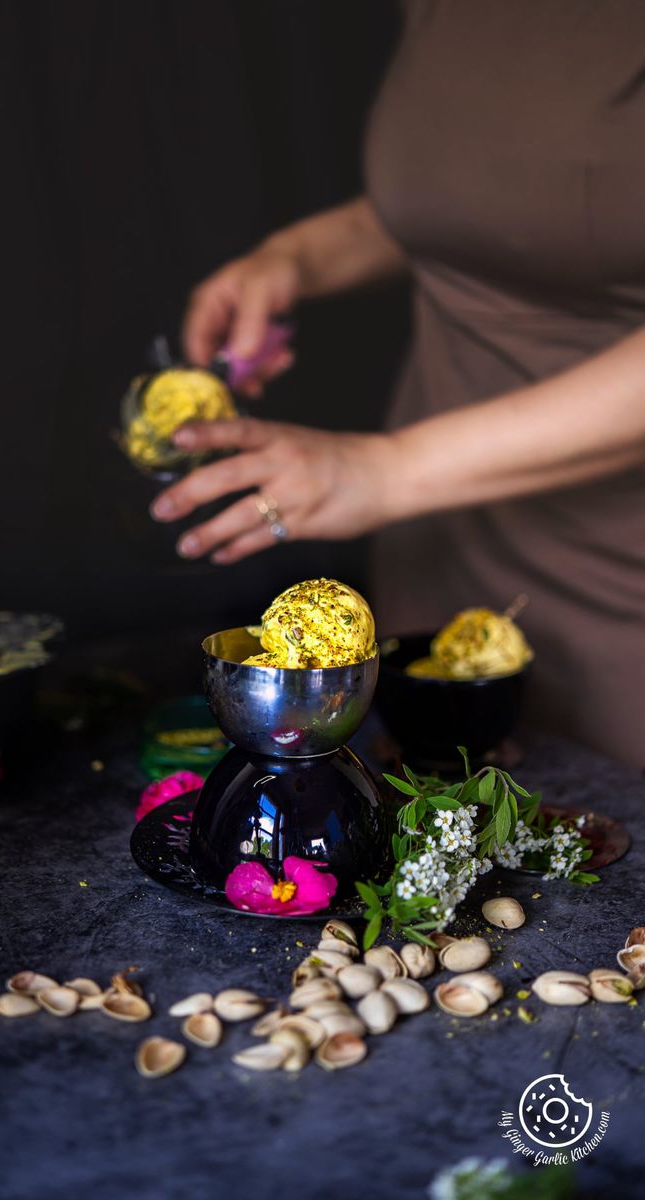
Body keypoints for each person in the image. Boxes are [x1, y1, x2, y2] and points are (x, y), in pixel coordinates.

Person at [148, 0, 645, 767]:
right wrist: (296, 258)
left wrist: (387, 468)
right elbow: (485, 199)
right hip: (439, 549)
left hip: (621, 593)